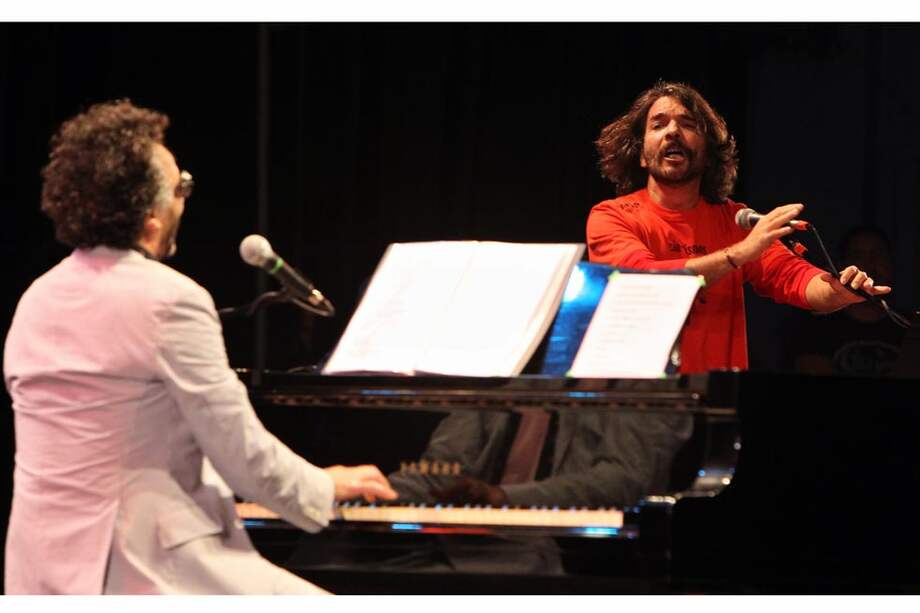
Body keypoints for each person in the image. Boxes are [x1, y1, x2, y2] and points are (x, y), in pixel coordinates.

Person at [2, 100, 397, 594]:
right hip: (140, 566)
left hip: (38, 573)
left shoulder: (35, 299)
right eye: (180, 187)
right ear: (149, 215)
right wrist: (325, 486)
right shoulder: (170, 300)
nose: (184, 200)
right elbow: (241, 454)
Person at [586, 81, 891, 373]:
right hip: (637, 404)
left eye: (688, 124)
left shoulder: (735, 220)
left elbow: (796, 279)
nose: (673, 132)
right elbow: (644, 282)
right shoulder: (611, 216)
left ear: (708, 154)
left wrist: (841, 291)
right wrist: (739, 253)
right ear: (640, 153)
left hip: (716, 401)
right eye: (658, 124)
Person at [783, 226, 906, 375]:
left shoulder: (907, 325)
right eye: (858, 256)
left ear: (891, 261)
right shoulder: (816, 328)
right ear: (843, 265)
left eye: (878, 254)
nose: (869, 264)